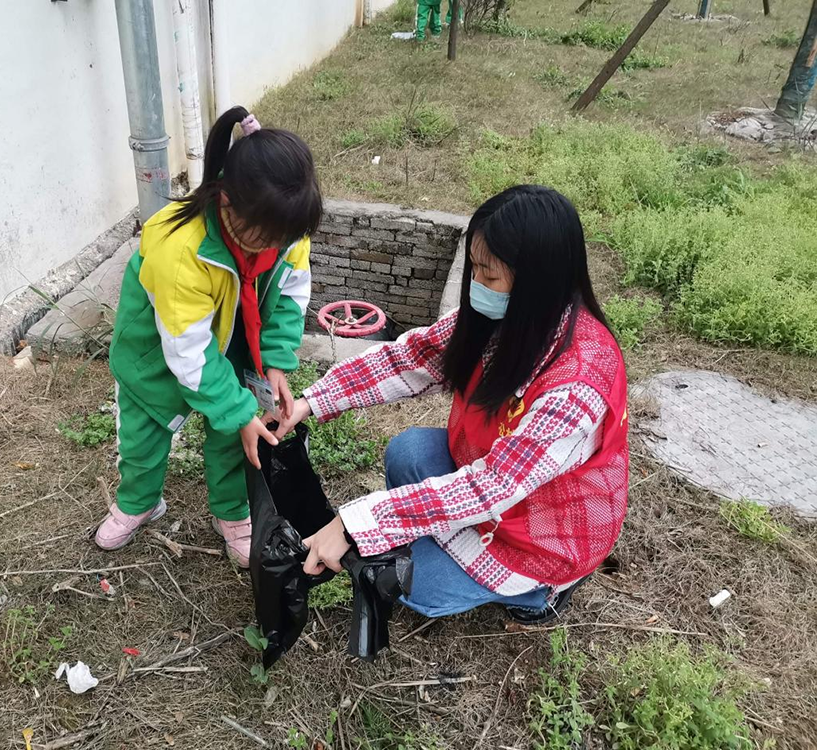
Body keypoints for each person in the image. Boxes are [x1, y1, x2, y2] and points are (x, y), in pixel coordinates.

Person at [278, 185, 628, 623]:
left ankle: (543, 594)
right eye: (474, 270)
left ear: (539, 284)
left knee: (412, 585)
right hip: (496, 486)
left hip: (544, 531)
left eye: (491, 276)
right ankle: (450, 540)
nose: (477, 286)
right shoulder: (500, 322)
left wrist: (354, 523)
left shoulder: (577, 385)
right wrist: (309, 402)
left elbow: (492, 487)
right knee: (408, 454)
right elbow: (408, 358)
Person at [98, 106, 322, 567]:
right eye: (260, 239)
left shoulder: (283, 225)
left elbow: (290, 297)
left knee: (235, 435)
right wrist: (238, 410)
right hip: (159, 352)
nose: (272, 248)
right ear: (225, 202)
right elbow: (190, 354)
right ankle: (139, 501)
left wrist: (275, 362)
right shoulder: (179, 249)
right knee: (145, 431)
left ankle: (232, 513)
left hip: (234, 333)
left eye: (280, 240)